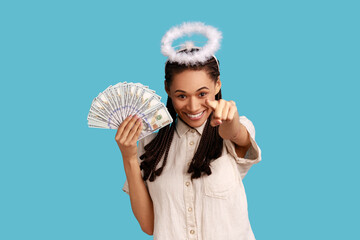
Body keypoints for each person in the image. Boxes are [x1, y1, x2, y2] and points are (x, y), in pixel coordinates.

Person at [115, 22, 262, 240]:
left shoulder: (237, 129)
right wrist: (128, 157)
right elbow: (149, 226)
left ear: (218, 85)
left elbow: (234, 134)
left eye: (202, 94)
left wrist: (230, 121)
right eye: (182, 96)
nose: (193, 107)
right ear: (167, 89)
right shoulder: (152, 143)